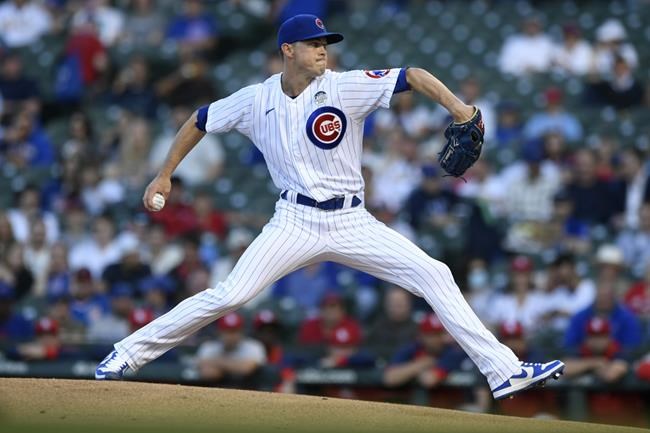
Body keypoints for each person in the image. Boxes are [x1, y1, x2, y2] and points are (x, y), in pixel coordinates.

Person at [95, 14, 564, 400]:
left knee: (435, 273)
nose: (323, 49)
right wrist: (164, 172)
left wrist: (461, 110)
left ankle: (505, 371)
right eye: (313, 43)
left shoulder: (344, 87)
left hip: (351, 219)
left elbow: (414, 75)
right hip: (294, 220)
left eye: (325, 42)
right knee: (231, 295)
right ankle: (127, 354)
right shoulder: (256, 99)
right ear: (287, 51)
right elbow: (198, 120)